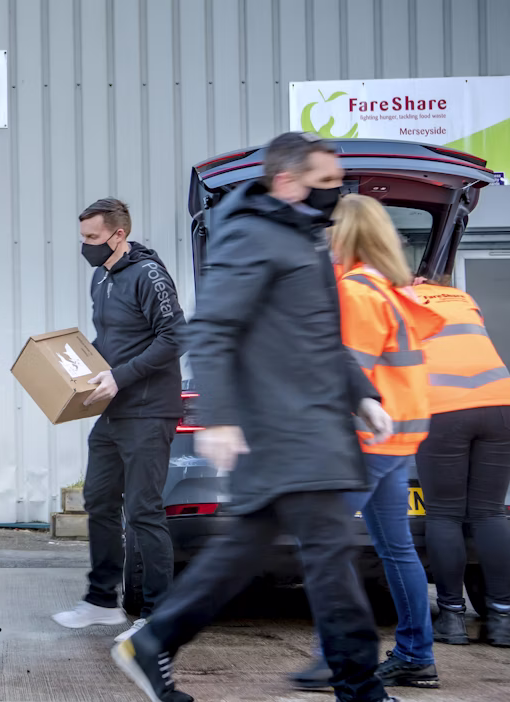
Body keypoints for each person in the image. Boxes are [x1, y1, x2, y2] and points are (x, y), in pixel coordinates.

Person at [111, 132, 397, 702]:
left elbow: (320, 337)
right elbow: (214, 329)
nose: (336, 196)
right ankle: (360, 689)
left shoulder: (305, 239)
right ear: (288, 182)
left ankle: (153, 643)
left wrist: (363, 395)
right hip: (285, 431)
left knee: (240, 556)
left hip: (310, 426)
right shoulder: (253, 237)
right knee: (331, 557)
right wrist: (217, 417)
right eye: (325, 185)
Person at [290, 194, 445, 691]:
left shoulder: (357, 292)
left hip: (366, 441)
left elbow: (344, 377)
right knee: (397, 549)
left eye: (331, 228)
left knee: (324, 545)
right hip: (397, 438)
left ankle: (335, 656)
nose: (325, 236)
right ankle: (416, 654)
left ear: (348, 234)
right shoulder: (387, 286)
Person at [52, 198, 184, 643]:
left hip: (149, 409)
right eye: (83, 238)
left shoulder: (149, 275)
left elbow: (174, 337)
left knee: (143, 510)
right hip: (112, 410)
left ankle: (157, 616)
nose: (86, 246)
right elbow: (111, 339)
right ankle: (102, 602)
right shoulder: (102, 278)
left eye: (93, 238)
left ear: (118, 234)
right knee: (99, 500)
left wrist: (121, 376)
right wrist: (77, 367)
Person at [414, 277, 510, 648]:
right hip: (503, 404)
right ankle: (502, 621)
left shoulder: (390, 298)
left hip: (445, 409)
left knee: (444, 514)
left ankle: (452, 619)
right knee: (490, 513)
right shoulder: (461, 297)